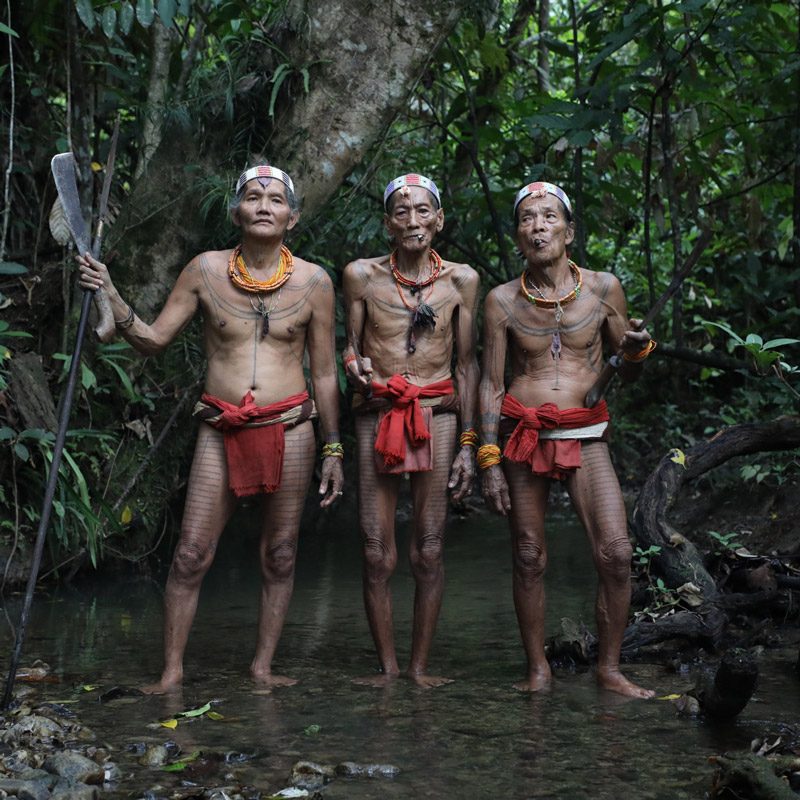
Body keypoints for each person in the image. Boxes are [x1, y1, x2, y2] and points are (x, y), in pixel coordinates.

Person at [77, 163, 344, 693]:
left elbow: (325, 372)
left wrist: (334, 447)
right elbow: (153, 339)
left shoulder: (315, 282)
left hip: (291, 426)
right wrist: (109, 291)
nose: (264, 205)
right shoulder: (204, 270)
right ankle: (171, 673)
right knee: (191, 553)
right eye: (252, 196)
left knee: (281, 552)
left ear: (292, 216)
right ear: (235, 211)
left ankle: (262, 667)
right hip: (220, 428)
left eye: (275, 199)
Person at [478, 180, 656, 698]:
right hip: (524, 437)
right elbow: (490, 382)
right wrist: (488, 458)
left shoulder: (604, 290)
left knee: (617, 553)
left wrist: (638, 352)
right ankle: (537, 670)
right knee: (529, 554)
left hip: (587, 434)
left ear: (569, 231)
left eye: (549, 217)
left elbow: (631, 368)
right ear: (517, 236)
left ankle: (609, 668)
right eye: (528, 218)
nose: (538, 226)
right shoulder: (500, 302)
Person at [342, 173, 479, 688]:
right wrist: (354, 365)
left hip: (438, 411)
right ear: (387, 223)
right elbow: (351, 347)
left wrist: (471, 445)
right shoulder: (361, 276)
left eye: (424, 211)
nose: (413, 221)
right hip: (378, 410)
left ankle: (420, 668)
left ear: (439, 220)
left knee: (429, 544)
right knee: (376, 547)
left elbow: (467, 366)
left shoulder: (461, 281)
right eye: (402, 212)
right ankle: (388, 668)